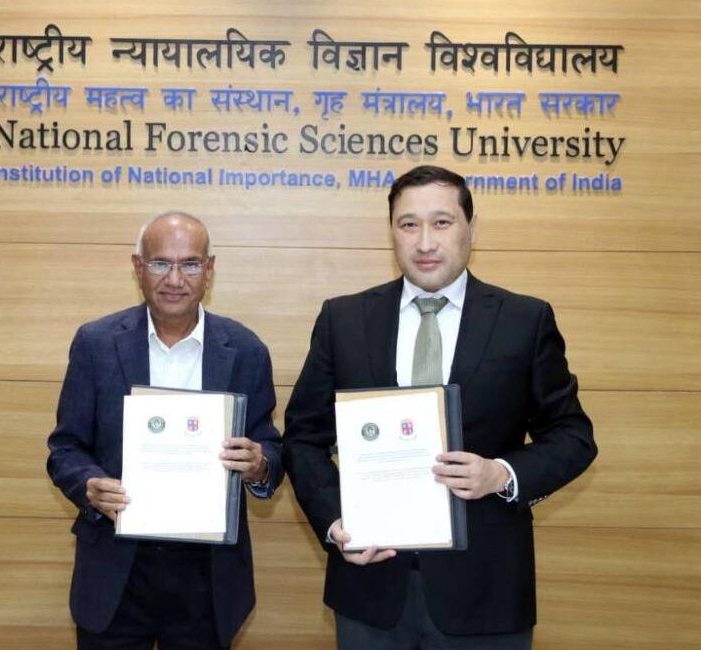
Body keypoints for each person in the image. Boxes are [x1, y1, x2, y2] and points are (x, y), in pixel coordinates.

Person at [282, 165, 597, 650]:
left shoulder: (524, 319)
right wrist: (334, 521)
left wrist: (501, 474)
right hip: (370, 587)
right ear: (391, 231)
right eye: (409, 224)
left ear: (472, 228)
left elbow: (573, 437)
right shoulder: (343, 319)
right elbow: (303, 438)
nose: (425, 242)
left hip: (487, 593)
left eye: (442, 223)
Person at [47, 212, 282, 650]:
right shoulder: (96, 343)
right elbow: (66, 448)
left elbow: (269, 443)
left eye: (190, 264)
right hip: (117, 571)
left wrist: (259, 464)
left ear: (209, 270)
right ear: (138, 267)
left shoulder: (246, 349)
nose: (175, 279)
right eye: (160, 263)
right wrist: (89, 485)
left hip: (206, 576)